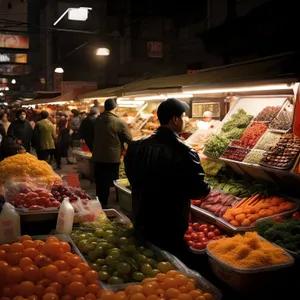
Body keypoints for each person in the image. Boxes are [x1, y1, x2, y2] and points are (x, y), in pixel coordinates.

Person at [124, 98, 210, 263]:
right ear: (175, 119)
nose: (185, 121)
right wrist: (208, 188)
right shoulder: (185, 151)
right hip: (170, 222)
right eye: (184, 117)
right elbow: (199, 191)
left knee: (144, 261)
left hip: (141, 213)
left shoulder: (136, 145)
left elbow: (131, 176)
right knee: (169, 265)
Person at [93, 98, 132, 208]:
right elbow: (129, 139)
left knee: (100, 181)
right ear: (115, 107)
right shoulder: (119, 122)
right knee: (115, 180)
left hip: (98, 155)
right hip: (112, 156)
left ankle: (102, 202)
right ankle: (118, 201)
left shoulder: (97, 120)